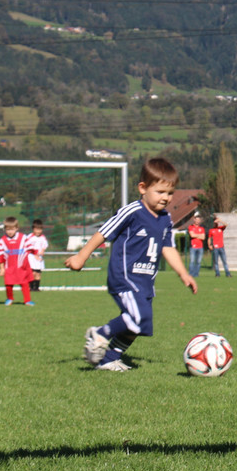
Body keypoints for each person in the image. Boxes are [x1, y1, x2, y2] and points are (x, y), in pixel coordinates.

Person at [65, 158, 198, 371]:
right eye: (160, 192)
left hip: (145, 281)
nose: (166, 198)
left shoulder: (165, 219)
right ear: (142, 188)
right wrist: (81, 257)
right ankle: (100, 333)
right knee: (138, 317)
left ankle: (108, 359)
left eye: (170, 193)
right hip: (125, 275)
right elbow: (104, 232)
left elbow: (168, 248)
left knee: (139, 325)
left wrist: (183, 273)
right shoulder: (132, 211)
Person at [0, 216, 36, 306]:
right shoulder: (3, 240)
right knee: (8, 284)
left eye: (12, 229)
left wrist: (36, 255)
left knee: (25, 284)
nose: (10, 232)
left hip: (21, 267)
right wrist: (2, 268)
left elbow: (30, 249)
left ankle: (27, 300)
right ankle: (10, 298)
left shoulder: (23, 238)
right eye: (8, 229)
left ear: (17, 228)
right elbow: (0, 255)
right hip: (9, 267)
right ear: (4, 229)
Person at [28, 219, 49, 292]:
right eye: (36, 229)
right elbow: (28, 247)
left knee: (38, 273)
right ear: (33, 229)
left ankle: (36, 288)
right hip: (32, 257)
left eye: (40, 229)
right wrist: (35, 255)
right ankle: (31, 287)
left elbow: (45, 245)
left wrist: (43, 250)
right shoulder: (30, 237)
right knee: (32, 273)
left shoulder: (43, 237)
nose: (38, 231)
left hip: (39, 258)